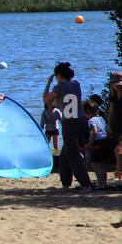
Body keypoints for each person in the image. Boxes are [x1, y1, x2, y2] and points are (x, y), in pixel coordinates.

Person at [43, 61, 94, 192]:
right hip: (81, 120)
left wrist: (49, 83)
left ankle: (86, 184)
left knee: (73, 155)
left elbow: (46, 100)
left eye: (56, 76)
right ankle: (66, 183)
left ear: (59, 75)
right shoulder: (76, 84)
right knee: (65, 152)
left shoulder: (59, 87)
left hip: (69, 123)